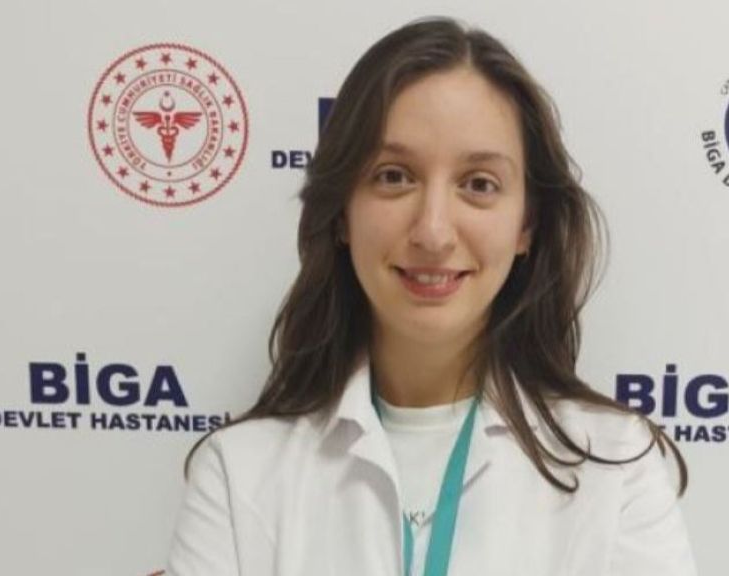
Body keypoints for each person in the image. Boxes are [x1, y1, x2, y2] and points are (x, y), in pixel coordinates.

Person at [166, 16, 696, 576]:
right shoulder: (238, 473)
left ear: (527, 225)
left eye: (479, 184)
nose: (434, 232)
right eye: (394, 176)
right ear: (342, 212)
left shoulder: (616, 467)